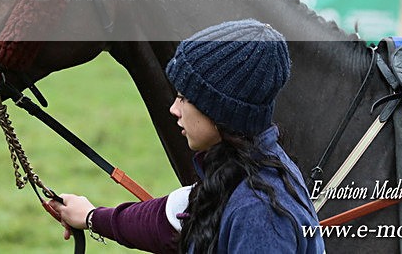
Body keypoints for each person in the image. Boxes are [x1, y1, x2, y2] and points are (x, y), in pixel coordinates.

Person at [48, 19, 325, 254]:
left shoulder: (259, 213)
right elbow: (161, 221)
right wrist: (90, 217)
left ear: (219, 109)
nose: (173, 109)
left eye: (184, 97)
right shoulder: (235, 171)